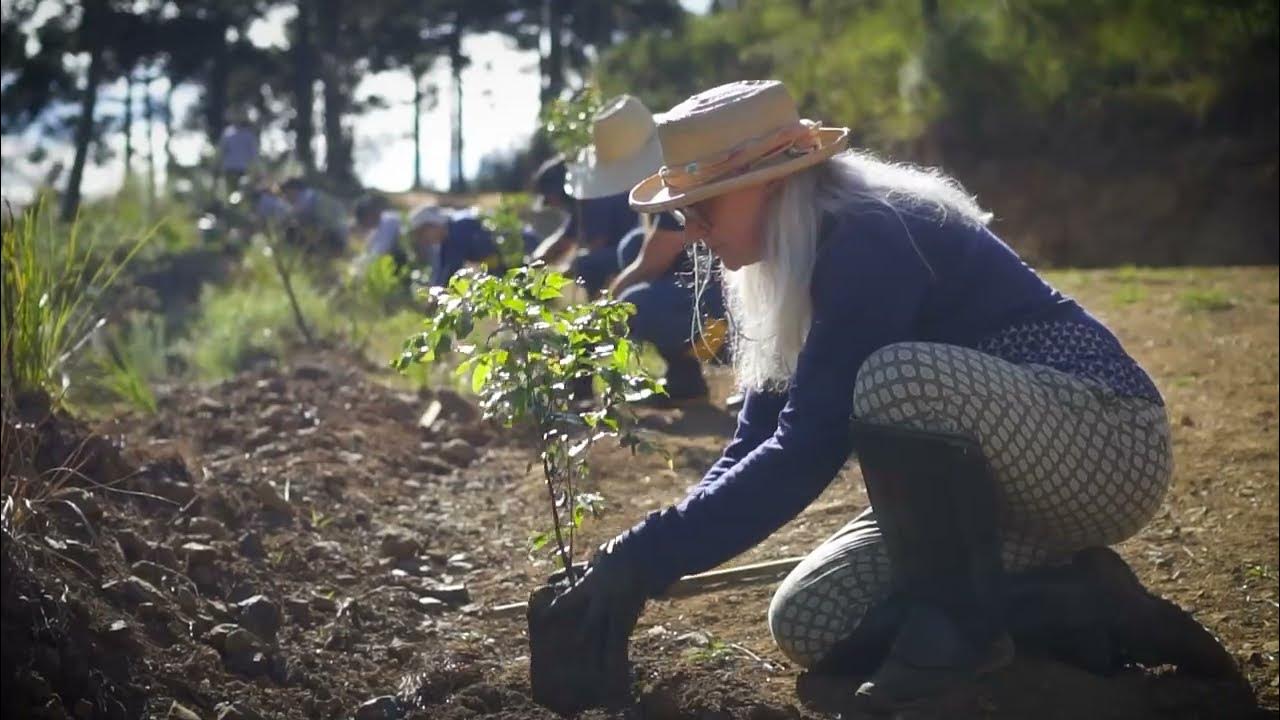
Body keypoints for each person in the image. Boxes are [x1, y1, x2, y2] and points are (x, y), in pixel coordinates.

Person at [543, 80, 1240, 711]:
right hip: (999, 497)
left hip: (1103, 444)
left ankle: (955, 635)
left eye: (699, 208)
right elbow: (757, 439)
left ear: (769, 182)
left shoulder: (869, 237)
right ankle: (1086, 606)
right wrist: (636, 558)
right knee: (811, 619)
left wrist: (650, 554)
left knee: (894, 376)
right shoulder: (790, 258)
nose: (690, 229)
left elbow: (805, 447)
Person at [408, 204, 537, 287]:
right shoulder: (448, 236)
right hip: (504, 261)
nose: (423, 240)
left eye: (422, 233)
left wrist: (437, 295)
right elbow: (442, 267)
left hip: (525, 250)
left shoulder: (458, 228)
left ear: (433, 224)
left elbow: (452, 267)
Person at [280, 177, 347, 255]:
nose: (285, 196)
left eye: (286, 192)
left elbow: (320, 228)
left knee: (291, 233)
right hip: (338, 238)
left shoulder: (304, 201)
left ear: (293, 190)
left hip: (334, 239)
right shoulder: (312, 195)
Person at [353, 194, 407, 270]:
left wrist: (359, 267)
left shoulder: (390, 221)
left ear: (370, 215)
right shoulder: (376, 228)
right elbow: (368, 251)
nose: (364, 225)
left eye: (363, 220)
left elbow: (380, 252)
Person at [218, 115, 259, 193]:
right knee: (231, 193)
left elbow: (253, 154)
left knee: (240, 193)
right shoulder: (227, 132)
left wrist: (255, 169)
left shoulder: (248, 135)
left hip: (242, 169)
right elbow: (222, 151)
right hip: (230, 168)